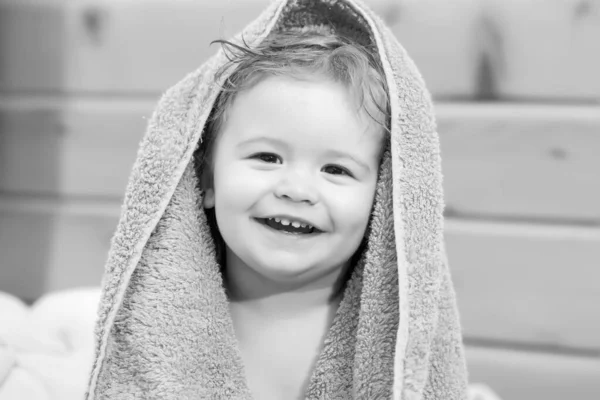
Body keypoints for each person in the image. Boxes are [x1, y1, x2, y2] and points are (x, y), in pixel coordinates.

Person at [85, 1, 468, 399]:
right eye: (267, 158)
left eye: (336, 170)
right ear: (206, 179)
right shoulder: (158, 327)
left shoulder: (387, 344)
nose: (296, 189)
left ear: (383, 204)